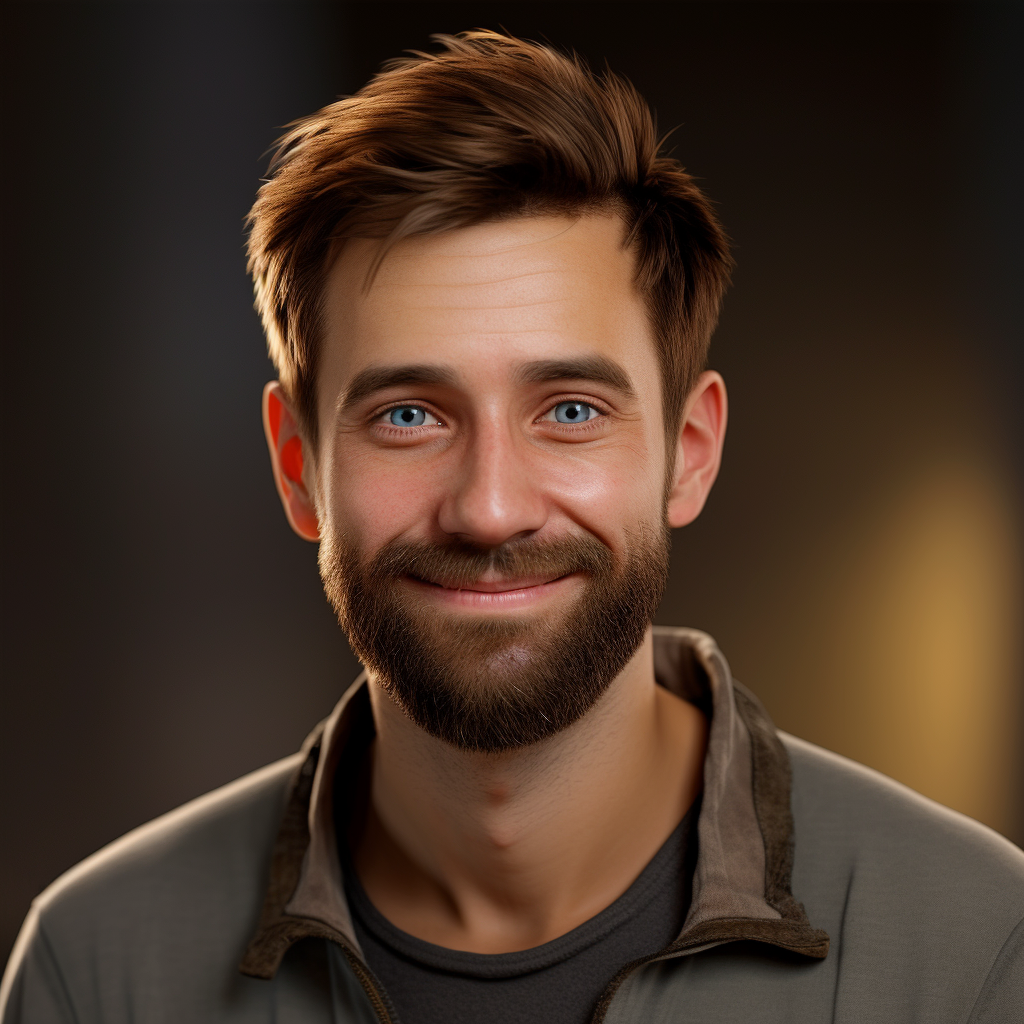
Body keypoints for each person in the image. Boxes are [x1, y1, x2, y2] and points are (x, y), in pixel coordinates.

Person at [2, 29, 1022, 1024]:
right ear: (296, 463)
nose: (490, 507)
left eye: (570, 410)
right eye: (409, 415)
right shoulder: (96, 971)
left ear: (690, 449)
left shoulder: (976, 950)